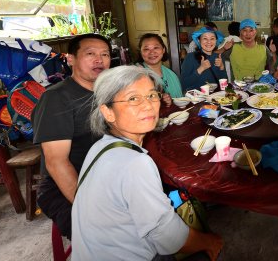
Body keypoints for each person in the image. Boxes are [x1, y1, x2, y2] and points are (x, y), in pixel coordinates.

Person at [72, 66, 223, 260]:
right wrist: (210, 241)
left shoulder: (100, 147)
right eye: (133, 98)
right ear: (108, 112)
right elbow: (170, 238)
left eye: (152, 95)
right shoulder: (135, 163)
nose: (148, 105)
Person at [32, 33, 111, 239]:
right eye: (90, 54)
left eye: (105, 54)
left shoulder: (106, 93)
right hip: (64, 186)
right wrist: (89, 209)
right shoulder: (57, 98)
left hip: (104, 174)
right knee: (111, 237)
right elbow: (56, 163)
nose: (99, 60)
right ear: (70, 59)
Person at [137, 33, 182, 105]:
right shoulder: (136, 75)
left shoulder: (171, 74)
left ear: (163, 50)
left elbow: (181, 101)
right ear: (141, 52)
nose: (152, 52)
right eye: (146, 49)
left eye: (156, 48)